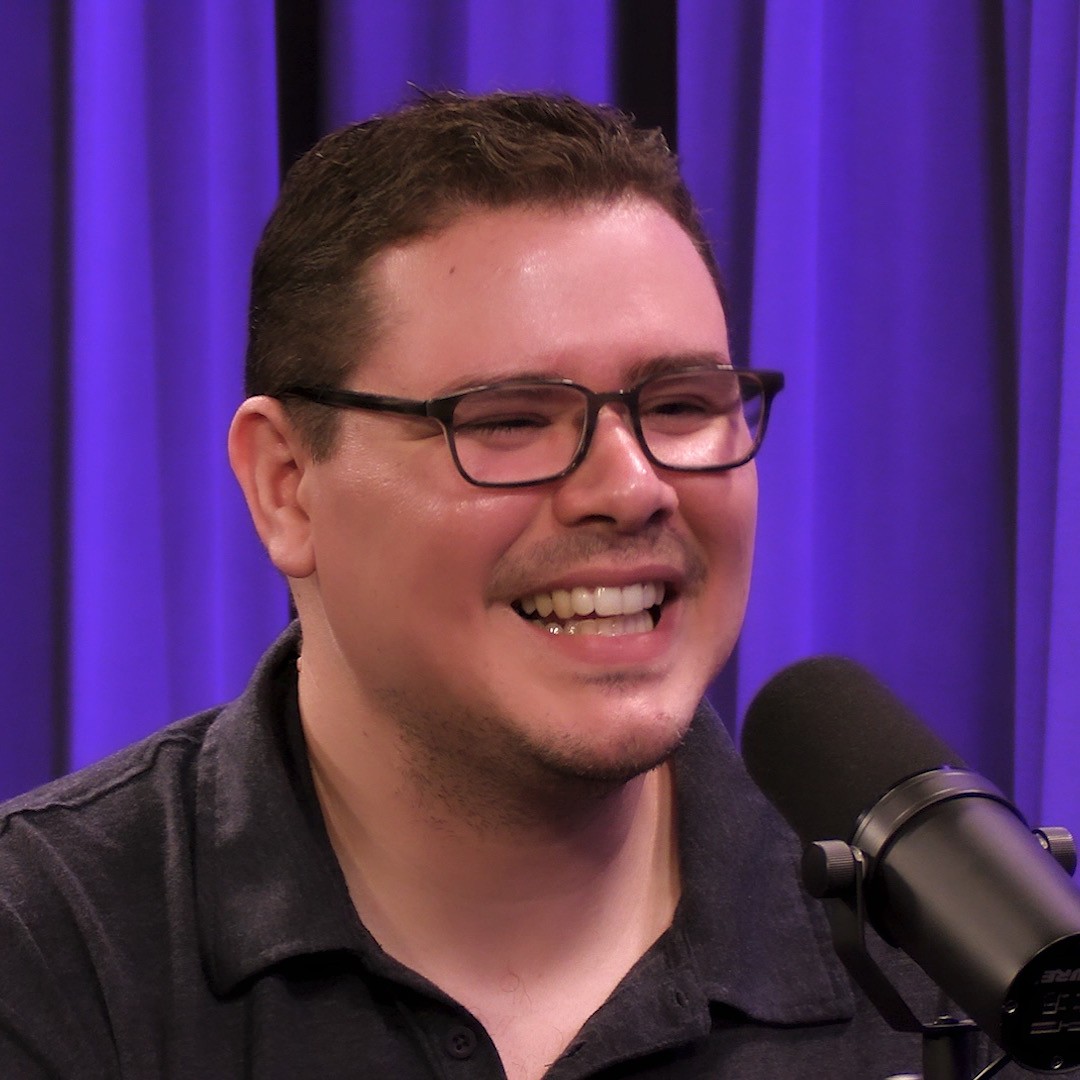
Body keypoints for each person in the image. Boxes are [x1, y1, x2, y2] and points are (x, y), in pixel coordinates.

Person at [0, 90, 1013, 1079]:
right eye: (509, 421)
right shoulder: (48, 951)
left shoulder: (945, 976)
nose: (632, 487)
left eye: (682, 405)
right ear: (287, 487)